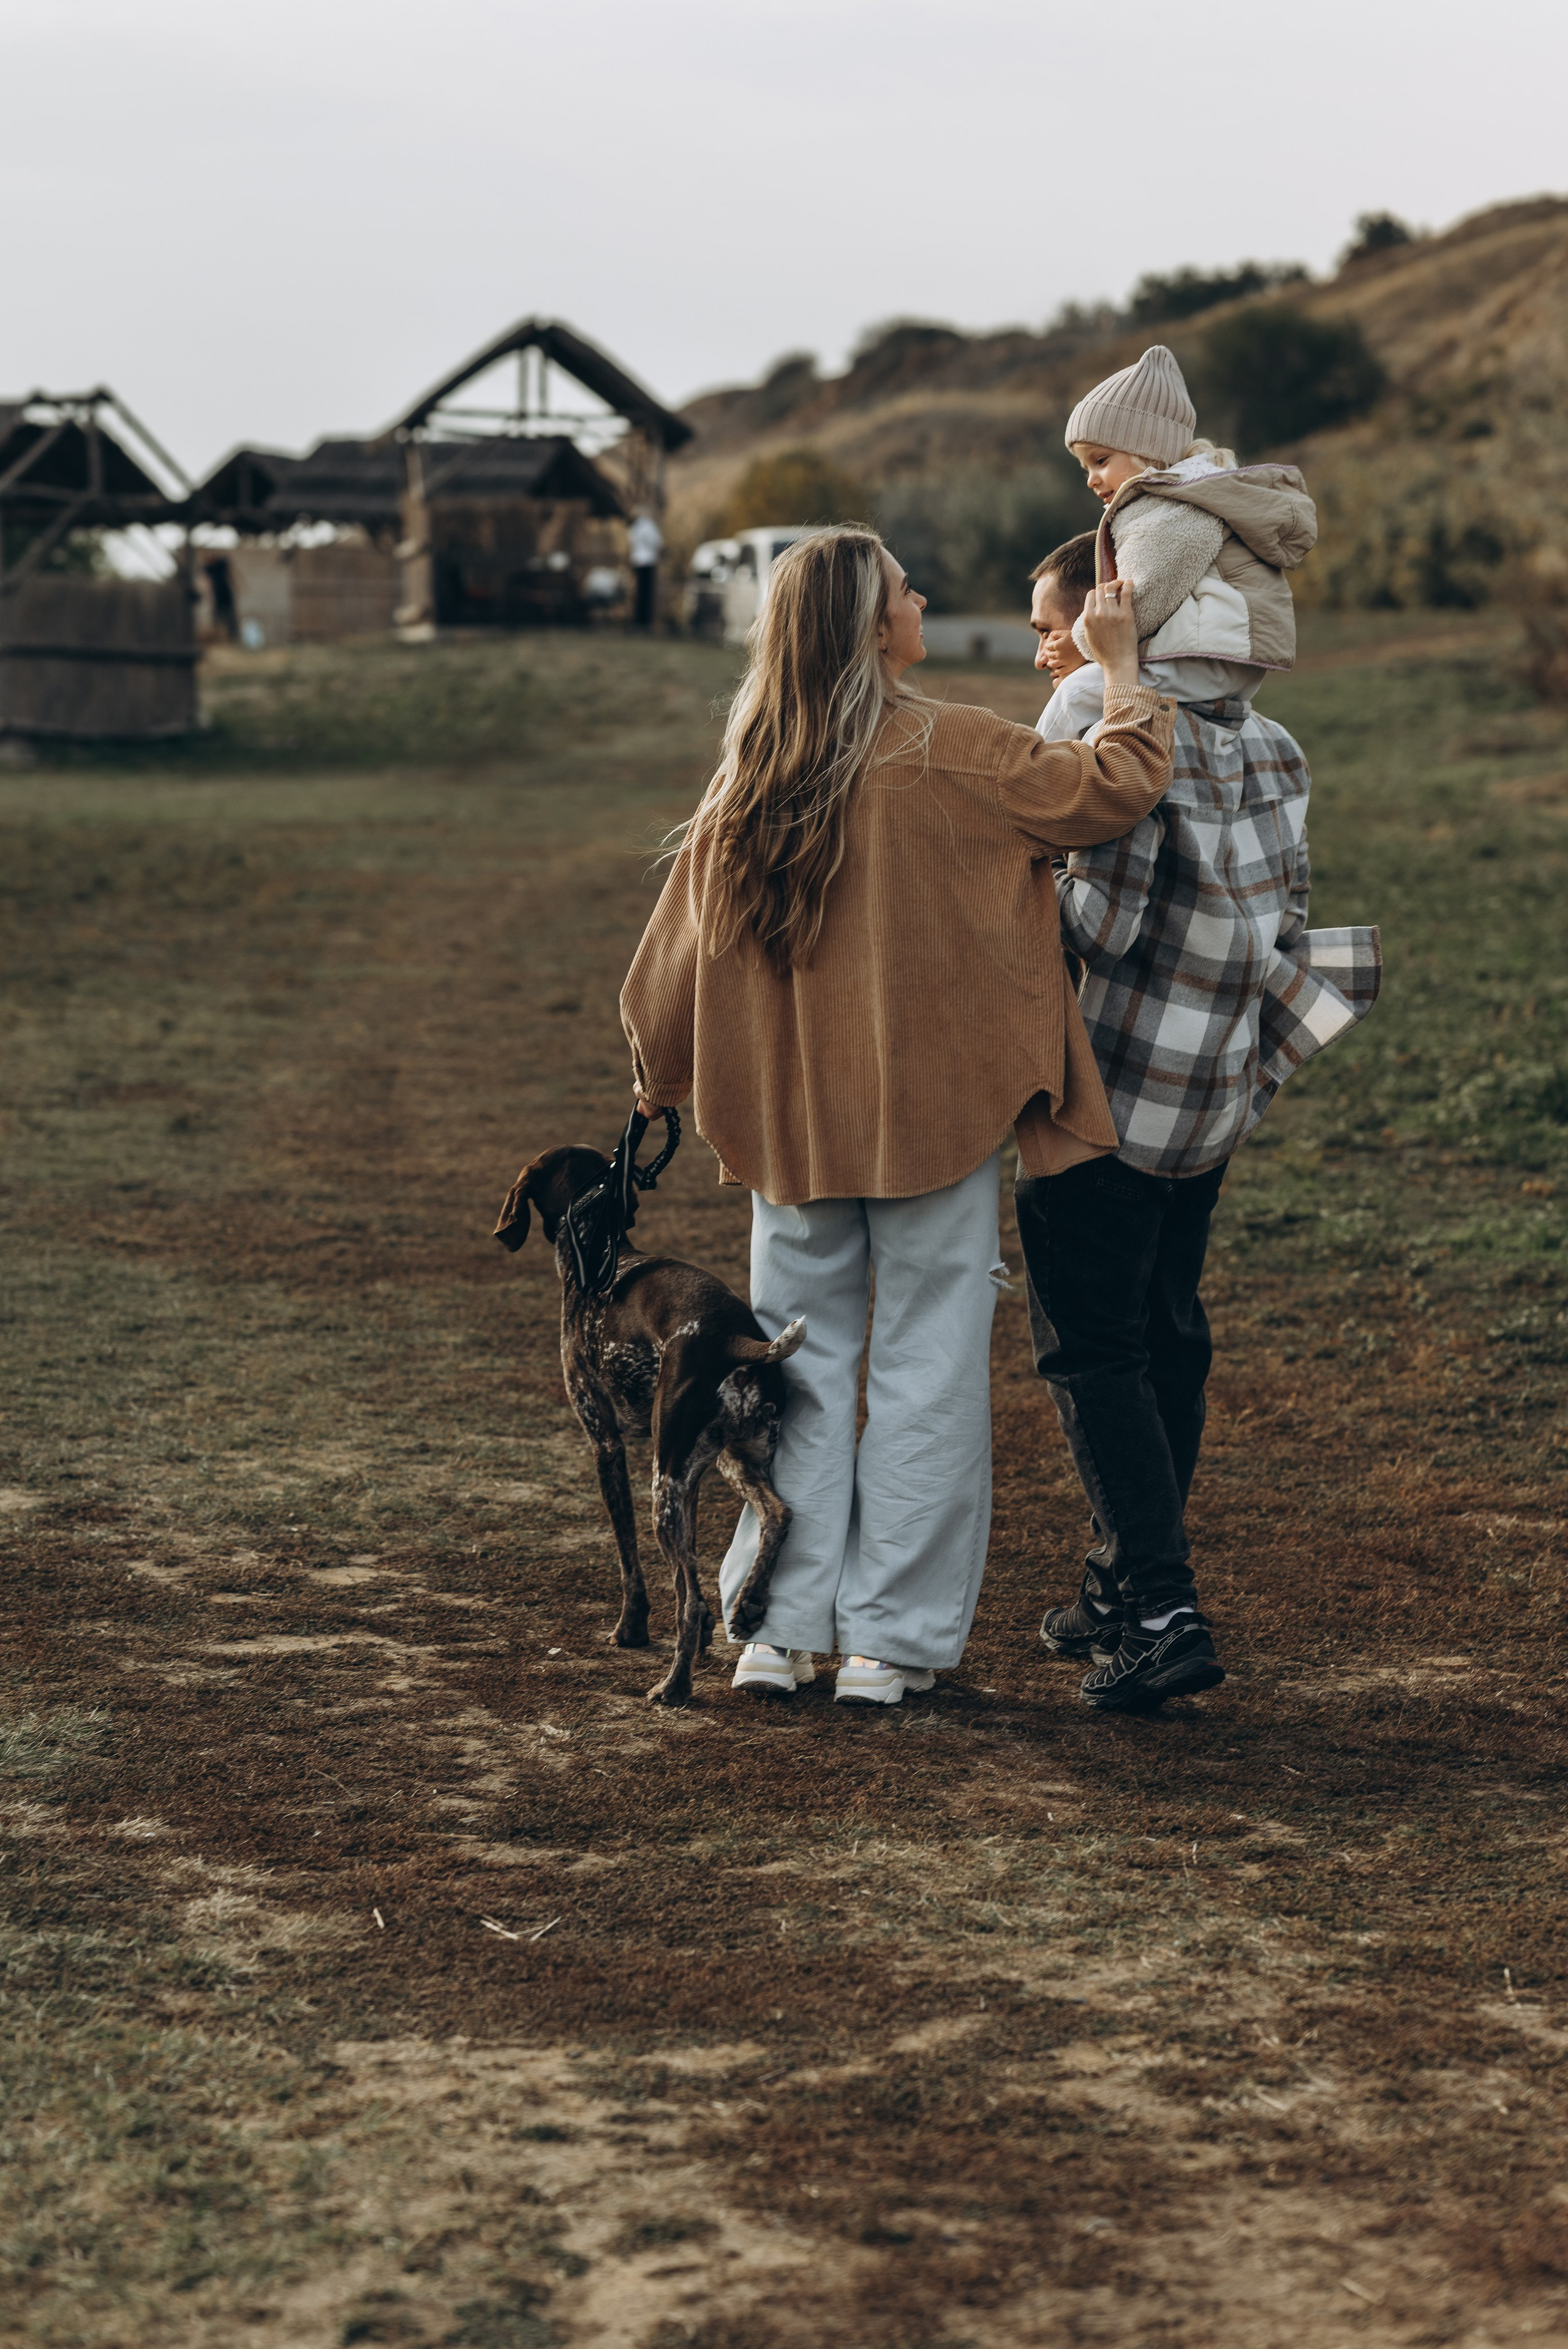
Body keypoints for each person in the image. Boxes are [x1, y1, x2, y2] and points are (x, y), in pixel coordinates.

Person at [620, 527, 1176, 1706]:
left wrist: (659, 1079)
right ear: (876, 628)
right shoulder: (960, 749)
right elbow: (1113, 790)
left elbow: (663, 976)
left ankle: (775, 1630)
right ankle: (892, 1648)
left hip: (792, 1134)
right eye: (905, 589)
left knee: (789, 1376)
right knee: (928, 1372)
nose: (922, 598)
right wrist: (1124, 674)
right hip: (939, 1121)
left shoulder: (746, 779)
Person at [1013, 543, 1382, 1714]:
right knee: (1168, 1329)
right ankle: (1118, 1584)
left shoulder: (1123, 736)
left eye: (1056, 629)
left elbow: (1105, 923)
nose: (1044, 651)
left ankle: (1164, 1606)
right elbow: (1294, 904)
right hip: (1214, 1086)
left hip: (1111, 1086)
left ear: (1122, 621)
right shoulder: (1274, 742)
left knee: (1093, 1347)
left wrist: (1028, 883)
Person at [1063, 343, 1317, 712]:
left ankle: (1036, 772)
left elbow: (1142, 600)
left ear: (1147, 449)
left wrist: (1080, 642)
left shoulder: (1174, 508)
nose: (1091, 480)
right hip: (1220, 656)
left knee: (1072, 696)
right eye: (1085, 468)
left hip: (1205, 658)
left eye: (1100, 461)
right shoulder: (1193, 495)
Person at [628, 509, 664, 630]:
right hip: (648, 562)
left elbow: (631, 541)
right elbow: (657, 542)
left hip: (637, 561)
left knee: (638, 592)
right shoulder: (649, 526)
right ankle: (645, 621)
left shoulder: (635, 527)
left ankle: (638, 620)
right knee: (646, 593)